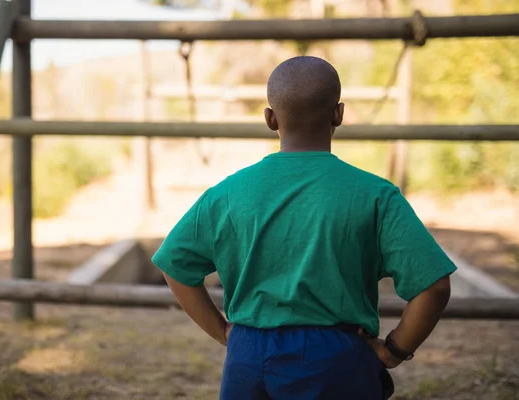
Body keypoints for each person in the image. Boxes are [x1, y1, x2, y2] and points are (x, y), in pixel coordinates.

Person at [151, 56, 456, 400]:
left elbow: (174, 267)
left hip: (248, 356)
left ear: (270, 118)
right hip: (338, 356)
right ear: (338, 114)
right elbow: (434, 288)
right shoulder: (375, 195)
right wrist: (394, 351)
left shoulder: (226, 194)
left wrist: (225, 333)